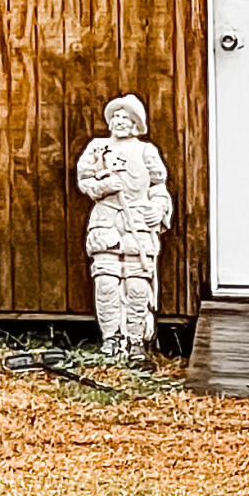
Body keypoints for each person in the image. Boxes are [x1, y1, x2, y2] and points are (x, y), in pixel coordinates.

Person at [76, 93, 173, 361]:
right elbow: (85, 180)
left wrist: (158, 209)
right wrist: (104, 186)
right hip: (106, 221)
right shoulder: (98, 148)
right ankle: (112, 339)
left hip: (137, 223)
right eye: (116, 116)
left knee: (137, 285)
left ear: (134, 123)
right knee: (106, 282)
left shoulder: (145, 151)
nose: (119, 121)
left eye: (125, 117)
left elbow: (158, 186)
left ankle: (135, 341)